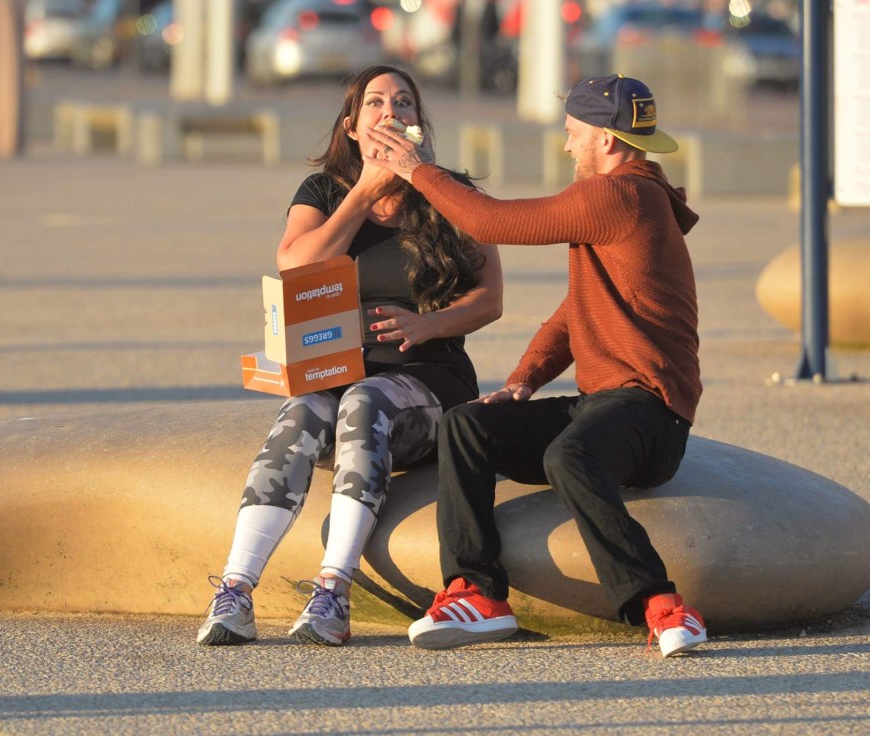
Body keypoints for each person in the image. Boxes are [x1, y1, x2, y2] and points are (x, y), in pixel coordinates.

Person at [367, 73, 707, 656]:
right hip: (604, 406)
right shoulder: (630, 196)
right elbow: (573, 316)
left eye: (573, 133)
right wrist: (522, 381)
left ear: (606, 138)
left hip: (652, 415)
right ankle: (477, 592)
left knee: (568, 454)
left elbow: (491, 222)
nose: (568, 145)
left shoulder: (619, 195)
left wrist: (417, 168)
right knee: (468, 425)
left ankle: (662, 605)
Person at [197, 65, 503, 647]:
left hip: (428, 386)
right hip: (338, 373)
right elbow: (297, 266)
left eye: (404, 103)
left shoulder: (454, 195)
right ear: (354, 127)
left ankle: (333, 591)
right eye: (376, 104)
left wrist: (429, 322)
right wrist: (364, 194)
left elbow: (491, 299)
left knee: (366, 401)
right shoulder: (324, 193)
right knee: (303, 410)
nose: (391, 113)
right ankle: (235, 589)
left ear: (419, 122)